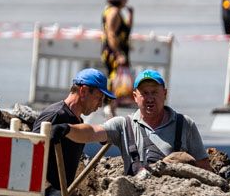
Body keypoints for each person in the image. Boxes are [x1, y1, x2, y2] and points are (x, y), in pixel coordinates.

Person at [71, 69, 212, 174]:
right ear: (135, 97)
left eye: (154, 92)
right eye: (144, 93)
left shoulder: (184, 125)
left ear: (165, 93)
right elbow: (92, 132)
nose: (150, 98)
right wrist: (67, 129)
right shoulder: (124, 125)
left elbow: (204, 168)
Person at [36, 68, 114, 196]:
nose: (99, 105)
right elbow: (28, 156)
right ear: (84, 91)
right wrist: (50, 191)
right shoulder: (56, 115)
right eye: (99, 98)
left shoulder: (77, 122)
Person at [100, 0, 133, 115]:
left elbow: (125, 29)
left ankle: (111, 107)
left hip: (115, 50)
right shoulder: (113, 12)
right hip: (113, 52)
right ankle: (109, 106)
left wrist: (131, 15)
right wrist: (118, 53)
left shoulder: (113, 11)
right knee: (114, 78)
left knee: (115, 79)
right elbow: (111, 34)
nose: (127, 2)